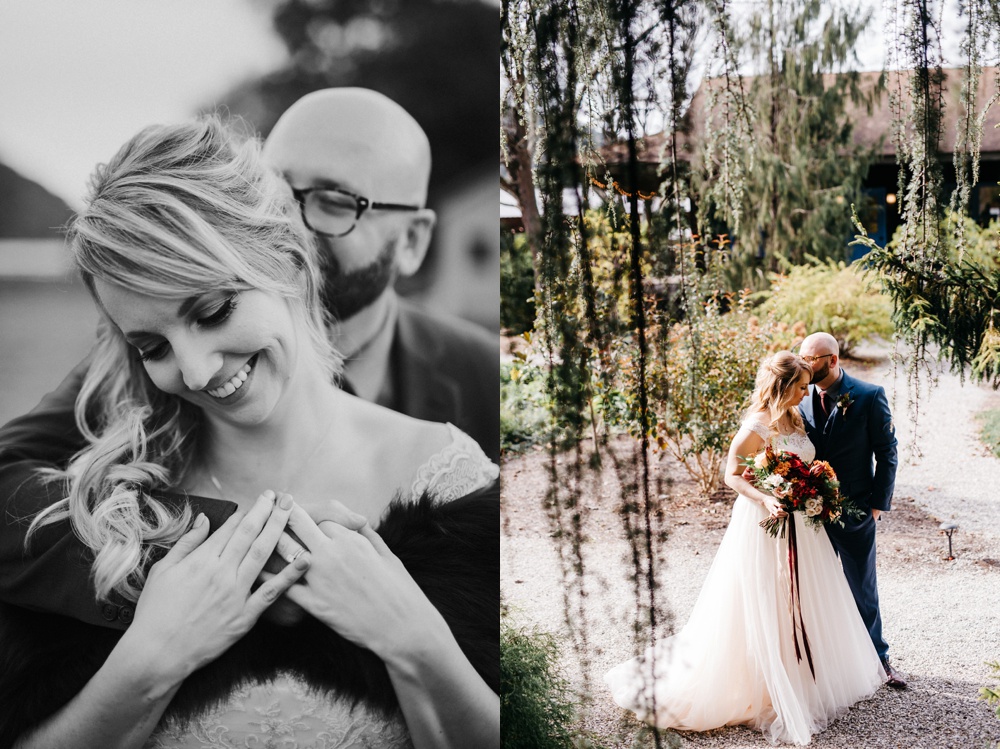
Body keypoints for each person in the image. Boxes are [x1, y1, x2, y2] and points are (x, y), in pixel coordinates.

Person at [0, 117, 499, 749]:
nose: (196, 371)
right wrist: (147, 663)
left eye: (212, 311)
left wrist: (414, 643)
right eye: (152, 346)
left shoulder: (451, 481)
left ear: (287, 259)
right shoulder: (103, 501)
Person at [605, 352, 885, 746]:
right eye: (801, 386)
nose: (807, 392)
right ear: (784, 387)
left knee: (805, 598)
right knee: (765, 598)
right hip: (764, 522)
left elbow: (803, 463)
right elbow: (732, 474)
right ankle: (764, 683)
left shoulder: (795, 416)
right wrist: (767, 499)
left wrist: (814, 490)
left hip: (802, 525)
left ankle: (804, 675)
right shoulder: (756, 424)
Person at [264, 87, 500, 463]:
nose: (288, 222)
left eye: (334, 201)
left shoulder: (493, 383)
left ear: (411, 240)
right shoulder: (193, 363)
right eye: (272, 190)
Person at [798, 331, 904, 689]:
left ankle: (879, 660)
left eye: (811, 359)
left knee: (862, 586)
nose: (805, 365)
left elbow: (887, 452)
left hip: (856, 508)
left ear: (832, 360)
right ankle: (826, 662)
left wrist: (877, 504)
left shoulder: (870, 396)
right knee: (815, 586)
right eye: (802, 358)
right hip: (809, 511)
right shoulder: (798, 398)